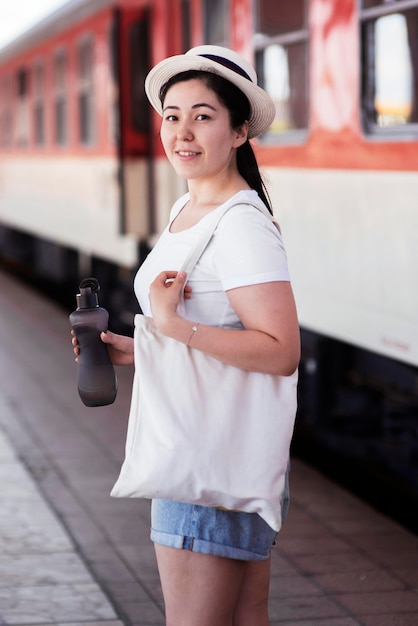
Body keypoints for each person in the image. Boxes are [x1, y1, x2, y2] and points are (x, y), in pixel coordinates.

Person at [73, 45, 300, 626]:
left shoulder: (241, 224)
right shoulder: (187, 208)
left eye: (203, 115)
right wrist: (139, 349)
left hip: (206, 463)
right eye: (172, 116)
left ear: (239, 130)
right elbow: (213, 333)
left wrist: (173, 325)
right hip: (216, 455)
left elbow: (281, 352)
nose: (183, 131)